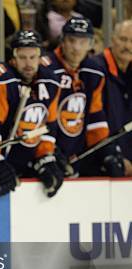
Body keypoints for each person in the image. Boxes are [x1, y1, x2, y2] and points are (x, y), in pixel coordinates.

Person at [0, 30, 63, 197]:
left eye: (33, 57)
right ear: (13, 58)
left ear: (40, 57)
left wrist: (45, 156)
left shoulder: (50, 81)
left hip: (26, 160)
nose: (28, 63)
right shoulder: (1, 79)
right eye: (23, 57)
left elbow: (50, 126)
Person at [42, 17, 125, 177]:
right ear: (62, 41)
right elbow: (38, 116)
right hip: (46, 151)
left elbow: (95, 117)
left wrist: (107, 151)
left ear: (91, 44)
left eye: (83, 42)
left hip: (76, 153)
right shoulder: (46, 69)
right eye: (71, 40)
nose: (76, 48)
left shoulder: (94, 71)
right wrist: (48, 151)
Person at [92, 20, 132, 176]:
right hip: (102, 163)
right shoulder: (96, 69)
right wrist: (114, 156)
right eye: (123, 39)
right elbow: (94, 120)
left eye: (131, 41)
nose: (127, 46)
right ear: (112, 39)